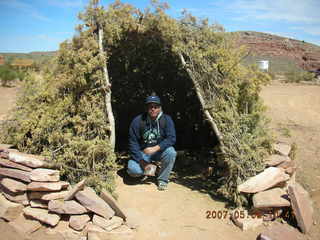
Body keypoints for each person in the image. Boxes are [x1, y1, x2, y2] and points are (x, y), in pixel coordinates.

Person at [127, 94, 177, 190]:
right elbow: (132, 143)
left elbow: (171, 138)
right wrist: (143, 163)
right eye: (150, 106)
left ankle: (162, 180)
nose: (153, 109)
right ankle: (151, 169)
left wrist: (155, 148)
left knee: (171, 152)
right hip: (143, 154)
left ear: (160, 108)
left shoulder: (167, 119)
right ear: (146, 108)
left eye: (156, 106)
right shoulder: (138, 121)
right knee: (133, 170)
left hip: (159, 151)